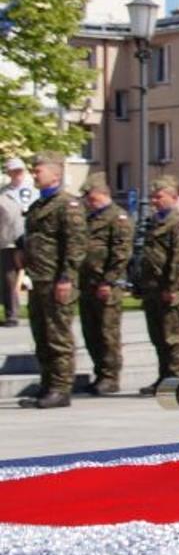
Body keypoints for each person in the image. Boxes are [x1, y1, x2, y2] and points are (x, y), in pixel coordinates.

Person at [18, 153, 84, 408]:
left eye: (39, 170)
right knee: (42, 335)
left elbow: (75, 245)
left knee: (58, 336)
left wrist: (66, 277)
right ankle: (47, 385)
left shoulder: (68, 204)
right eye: (34, 170)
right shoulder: (38, 205)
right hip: (39, 278)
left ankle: (61, 388)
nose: (34, 174)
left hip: (57, 279)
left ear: (56, 174)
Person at [137, 176, 179, 395]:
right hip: (153, 287)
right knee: (158, 337)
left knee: (172, 337)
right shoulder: (154, 222)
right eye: (153, 197)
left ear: (174, 197)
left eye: (159, 196)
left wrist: (173, 287)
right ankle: (163, 377)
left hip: (170, 289)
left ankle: (175, 379)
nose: (154, 200)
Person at [77, 174, 133, 395]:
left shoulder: (117, 217)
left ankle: (110, 377)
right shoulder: (90, 217)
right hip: (87, 283)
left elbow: (121, 253)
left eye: (91, 197)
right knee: (91, 332)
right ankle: (100, 373)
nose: (88, 202)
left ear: (102, 194)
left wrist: (109, 280)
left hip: (106, 285)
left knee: (107, 333)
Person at [0, 157, 30, 327]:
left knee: (38, 276)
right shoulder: (3, 193)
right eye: (13, 171)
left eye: (19, 171)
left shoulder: (34, 191)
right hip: (8, 241)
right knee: (9, 279)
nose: (17, 174)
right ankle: (12, 314)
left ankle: (41, 312)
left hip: (32, 240)